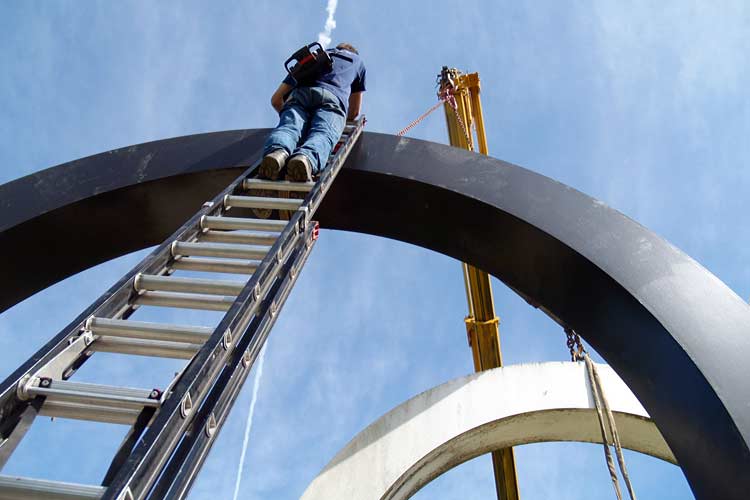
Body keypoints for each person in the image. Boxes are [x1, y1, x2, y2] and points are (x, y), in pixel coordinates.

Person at [260, 43, 366, 182]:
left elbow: (276, 100)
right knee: (323, 133)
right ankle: (306, 159)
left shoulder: (311, 57)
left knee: (289, 127)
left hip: (300, 94)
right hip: (332, 99)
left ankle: (277, 153)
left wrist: (296, 120)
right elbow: (354, 112)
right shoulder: (357, 62)